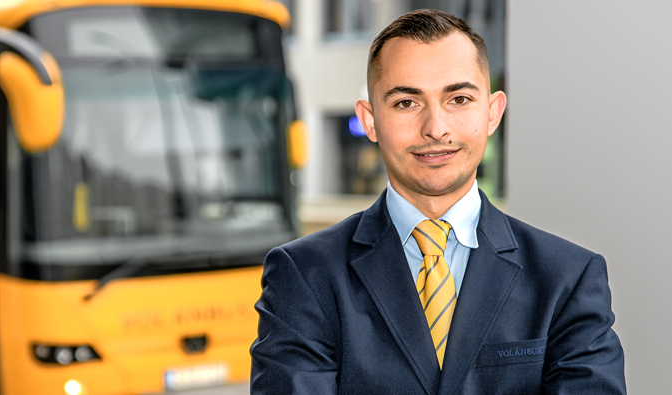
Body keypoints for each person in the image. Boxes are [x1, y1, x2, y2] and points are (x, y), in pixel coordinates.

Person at [250, 9, 625, 394]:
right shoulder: (304, 274)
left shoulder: (568, 277)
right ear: (370, 120)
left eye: (459, 99)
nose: (435, 128)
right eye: (406, 103)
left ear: (492, 113)